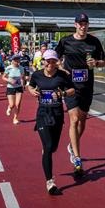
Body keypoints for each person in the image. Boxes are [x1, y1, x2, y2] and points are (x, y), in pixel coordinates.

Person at [55, 13, 105, 176]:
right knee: (74, 119)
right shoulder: (65, 41)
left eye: (85, 23)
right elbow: (55, 58)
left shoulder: (94, 42)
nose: (83, 26)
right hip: (70, 86)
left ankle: (72, 144)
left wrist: (96, 63)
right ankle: (77, 158)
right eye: (80, 23)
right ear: (75, 25)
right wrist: (60, 70)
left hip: (87, 86)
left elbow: (103, 61)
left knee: (82, 121)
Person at [27, 49, 75, 194]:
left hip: (57, 113)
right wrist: (31, 91)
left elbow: (72, 89)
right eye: (48, 60)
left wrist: (63, 93)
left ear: (56, 62)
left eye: (53, 61)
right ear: (43, 61)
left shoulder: (62, 75)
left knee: (53, 147)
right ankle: (50, 182)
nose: (50, 63)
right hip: (43, 113)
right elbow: (30, 85)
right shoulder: (37, 75)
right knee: (47, 147)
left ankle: (47, 153)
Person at [4, 55, 25, 125]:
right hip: (10, 87)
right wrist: (9, 81)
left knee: (18, 104)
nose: (17, 61)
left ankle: (15, 118)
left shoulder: (21, 68)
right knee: (12, 104)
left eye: (18, 59)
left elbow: (22, 77)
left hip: (19, 87)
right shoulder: (9, 68)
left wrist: (23, 83)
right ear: (12, 61)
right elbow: (3, 77)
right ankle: (9, 107)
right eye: (15, 60)